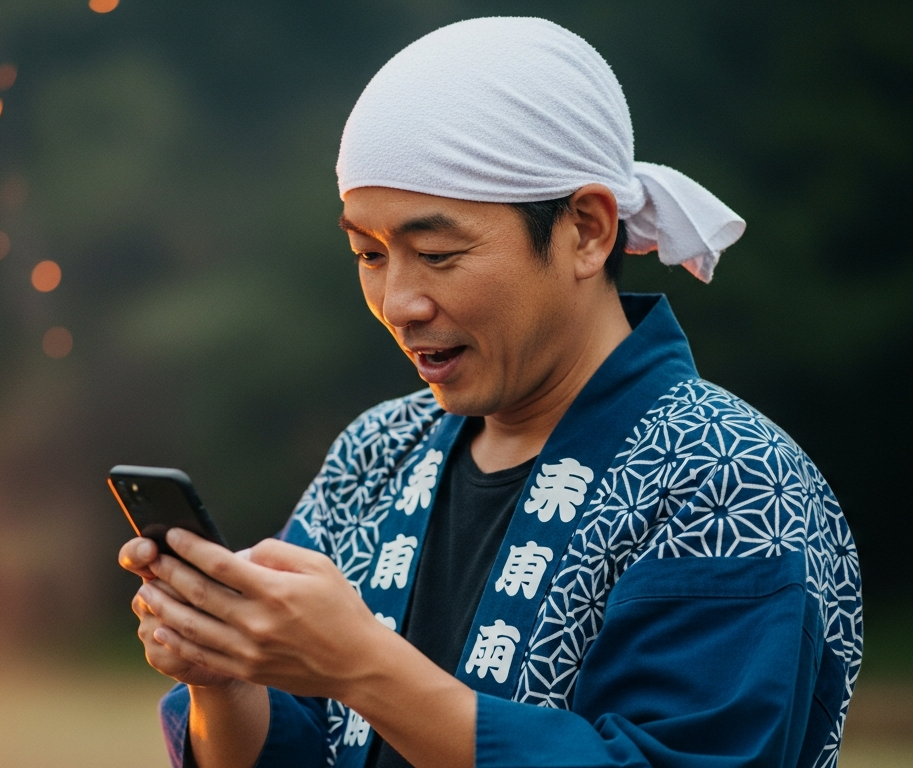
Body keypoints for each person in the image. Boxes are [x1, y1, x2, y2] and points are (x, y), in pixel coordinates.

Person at [118, 17, 861, 768]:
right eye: (368, 254)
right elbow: (295, 744)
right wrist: (223, 679)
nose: (398, 301)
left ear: (587, 231)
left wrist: (362, 666)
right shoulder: (376, 454)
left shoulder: (729, 479)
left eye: (437, 254)